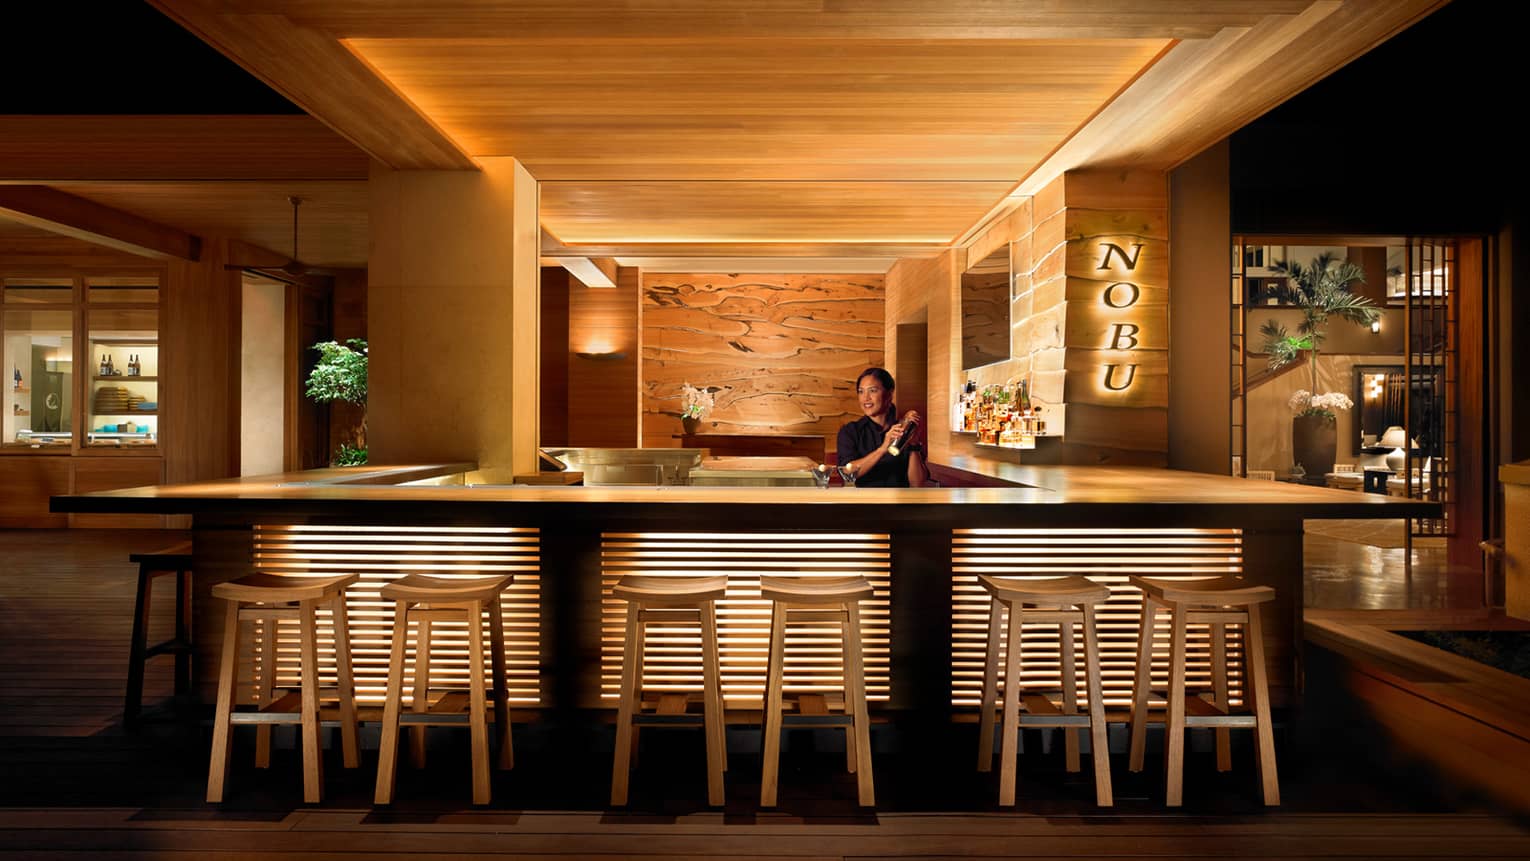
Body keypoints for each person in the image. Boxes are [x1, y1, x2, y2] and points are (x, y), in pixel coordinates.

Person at [836, 367, 927, 487]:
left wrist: (914, 446)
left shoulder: (902, 430)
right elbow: (847, 472)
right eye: (861, 391)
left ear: (889, 394)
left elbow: (918, 484)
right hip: (864, 504)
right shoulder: (850, 431)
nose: (865, 398)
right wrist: (883, 449)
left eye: (872, 391)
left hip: (899, 503)